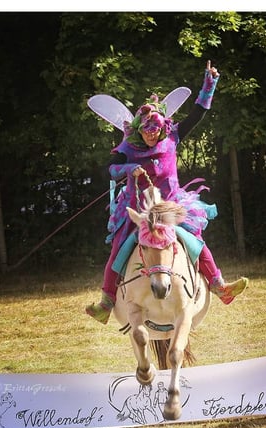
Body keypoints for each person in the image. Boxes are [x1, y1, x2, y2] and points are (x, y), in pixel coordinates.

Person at [86, 61, 249, 324]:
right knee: (119, 247)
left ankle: (219, 285)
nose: (151, 135)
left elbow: (197, 114)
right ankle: (106, 301)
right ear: (138, 129)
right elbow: (111, 169)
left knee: (194, 240)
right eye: (146, 130)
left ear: (163, 128)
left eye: (156, 129)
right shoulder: (128, 146)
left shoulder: (173, 137)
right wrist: (130, 167)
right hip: (138, 208)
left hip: (170, 205)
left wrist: (210, 83)